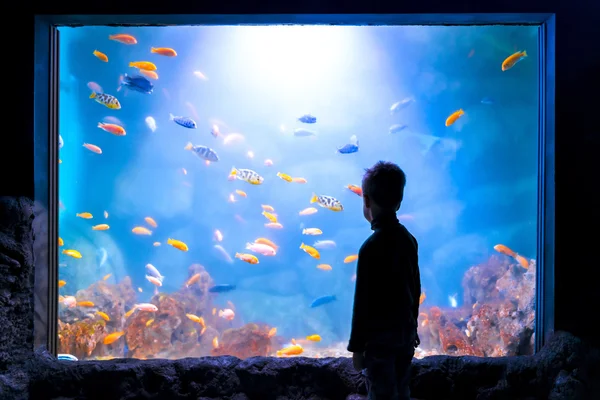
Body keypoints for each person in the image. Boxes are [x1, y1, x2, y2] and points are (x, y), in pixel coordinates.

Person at [347, 161, 421, 400]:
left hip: (380, 344)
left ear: (366, 201)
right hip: (404, 337)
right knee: (403, 390)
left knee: (381, 393)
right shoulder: (409, 240)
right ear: (399, 202)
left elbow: (363, 302)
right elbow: (415, 288)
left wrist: (357, 347)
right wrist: (413, 326)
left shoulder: (370, 248)